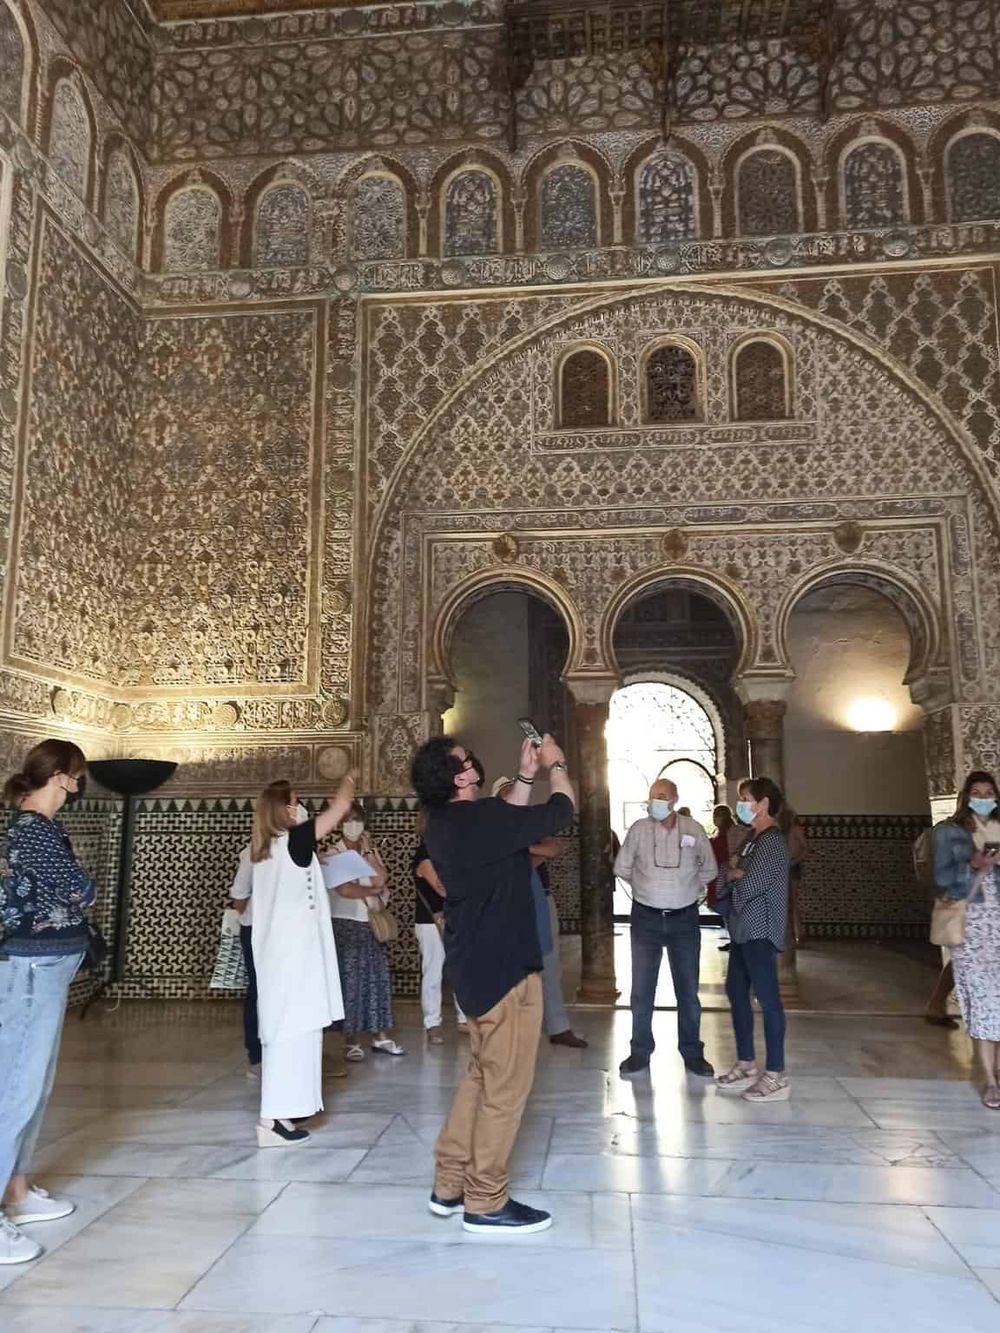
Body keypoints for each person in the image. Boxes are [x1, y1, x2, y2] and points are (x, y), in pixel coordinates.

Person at [413, 731, 575, 1235]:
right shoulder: (482, 819)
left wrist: (525, 775)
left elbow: (504, 824)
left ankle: (448, 1184)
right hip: (506, 971)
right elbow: (562, 811)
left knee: (480, 1077)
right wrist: (557, 763)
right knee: (505, 1089)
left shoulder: (444, 823)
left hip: (474, 969)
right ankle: (485, 1201)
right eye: (465, 760)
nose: (474, 762)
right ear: (459, 775)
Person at [0, 739, 95, 1265]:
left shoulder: (40, 829)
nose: (78, 784)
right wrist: (84, 888)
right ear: (59, 775)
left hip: (48, 966)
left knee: (32, 1085)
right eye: (75, 774)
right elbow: (78, 890)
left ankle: (16, 1189)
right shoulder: (33, 830)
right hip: (33, 968)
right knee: (15, 1085)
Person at [250, 775, 353, 1146]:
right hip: (292, 960)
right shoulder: (291, 841)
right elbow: (340, 808)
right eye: (296, 801)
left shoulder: (272, 849)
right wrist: (350, 779)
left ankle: (282, 1115)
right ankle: (272, 1120)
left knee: (293, 1033)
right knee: (290, 1034)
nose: (301, 807)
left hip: (287, 958)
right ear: (283, 809)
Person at [614, 778, 717, 1078]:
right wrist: (643, 886)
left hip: (684, 919)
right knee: (642, 990)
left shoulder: (693, 829)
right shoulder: (638, 830)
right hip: (645, 918)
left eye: (661, 796)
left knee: (687, 991)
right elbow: (621, 867)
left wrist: (690, 889)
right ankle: (639, 1052)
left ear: (674, 799)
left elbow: (709, 869)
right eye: (651, 797)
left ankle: (693, 1053)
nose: (655, 802)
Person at [492, 777, 587, 1049]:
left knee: (549, 962)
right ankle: (513, 1027)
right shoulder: (492, 827)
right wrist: (531, 853)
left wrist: (525, 851)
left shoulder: (527, 823)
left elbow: (554, 846)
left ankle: (558, 1026)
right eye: (509, 792)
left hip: (540, 899)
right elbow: (516, 860)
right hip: (509, 903)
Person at [715, 776, 791, 1103]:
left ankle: (775, 1073)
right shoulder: (751, 838)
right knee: (736, 991)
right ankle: (746, 1062)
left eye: (746, 799)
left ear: (762, 804)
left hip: (760, 931)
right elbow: (725, 873)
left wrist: (736, 875)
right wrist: (733, 874)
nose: (741, 805)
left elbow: (749, 886)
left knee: (768, 999)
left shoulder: (772, 842)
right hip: (742, 931)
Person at [931, 771, 1000, 1108]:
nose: (984, 798)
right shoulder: (948, 833)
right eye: (977, 792)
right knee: (983, 1000)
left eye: (989, 792)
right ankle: (990, 1079)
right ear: (966, 796)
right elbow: (941, 878)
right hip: (970, 926)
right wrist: (974, 864)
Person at [327, 804, 404, 1061]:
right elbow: (344, 890)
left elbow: (381, 878)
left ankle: (380, 1035)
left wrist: (369, 849)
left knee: (377, 980)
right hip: (346, 924)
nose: (354, 825)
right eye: (348, 820)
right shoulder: (333, 853)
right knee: (351, 983)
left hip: (371, 924)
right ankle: (350, 1039)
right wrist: (372, 890)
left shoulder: (369, 852)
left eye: (358, 820)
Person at [413, 821, 467, 1044]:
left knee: (461, 970)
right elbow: (440, 886)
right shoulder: (423, 853)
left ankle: (464, 1017)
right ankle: (432, 1023)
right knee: (434, 971)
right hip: (430, 920)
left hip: (455, 917)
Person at [710, 804, 748, 951]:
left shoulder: (734, 832)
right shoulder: (721, 833)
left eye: (717, 816)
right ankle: (734, 940)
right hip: (721, 876)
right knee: (727, 910)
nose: (714, 819)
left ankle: (736, 940)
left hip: (728, 876)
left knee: (730, 908)